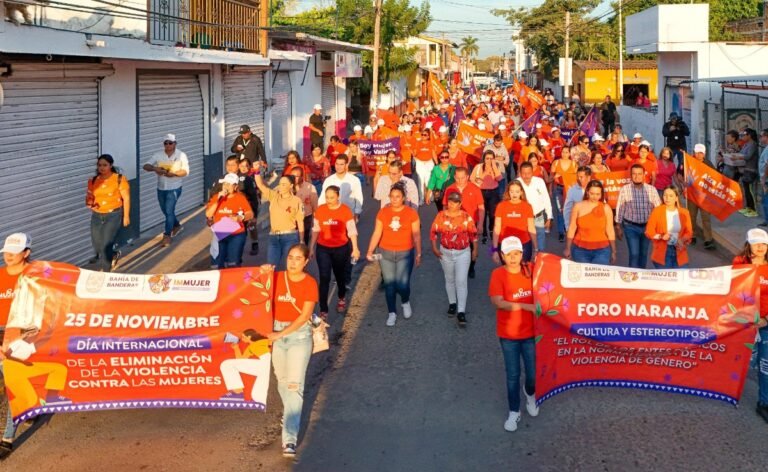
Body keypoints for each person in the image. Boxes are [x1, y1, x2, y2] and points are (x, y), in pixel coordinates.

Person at [264, 244, 318, 457]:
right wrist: (260, 274)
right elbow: (252, 291)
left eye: (298, 258)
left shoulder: (310, 283)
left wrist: (279, 334)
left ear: (306, 262)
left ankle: (289, 439)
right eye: (290, 257)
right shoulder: (275, 278)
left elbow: (304, 316)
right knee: (282, 381)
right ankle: (290, 414)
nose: (293, 262)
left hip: (299, 337)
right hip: (276, 332)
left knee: (294, 385)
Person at [488, 236, 539, 433]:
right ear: (502, 255)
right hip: (508, 334)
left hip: (531, 333)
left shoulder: (531, 270)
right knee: (513, 374)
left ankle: (531, 393)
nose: (513, 258)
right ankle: (513, 410)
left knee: (533, 373)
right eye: (508, 254)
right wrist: (526, 306)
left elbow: (551, 279)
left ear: (522, 253)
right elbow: (498, 302)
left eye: (516, 254)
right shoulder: (497, 275)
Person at [366, 182, 421, 327]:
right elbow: (377, 232)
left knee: (402, 284)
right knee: (390, 284)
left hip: (405, 252)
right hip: (385, 252)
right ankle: (392, 313)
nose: (394, 199)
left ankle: (405, 301)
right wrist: (370, 250)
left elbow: (416, 235)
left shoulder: (411, 213)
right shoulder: (383, 212)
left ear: (403, 198)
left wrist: (419, 253)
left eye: (398, 196)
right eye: (392, 196)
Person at [0, 233, 32, 459]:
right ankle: (30, 407)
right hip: (1, 337)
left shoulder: (37, 276)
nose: (9, 255)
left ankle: (7, 439)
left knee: (14, 386)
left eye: (15, 251)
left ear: (26, 253)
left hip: (26, 337)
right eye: (6, 252)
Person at [732, 228, 768, 423]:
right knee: (741, 360)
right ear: (748, 245)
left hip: (766, 323)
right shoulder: (739, 265)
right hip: (744, 324)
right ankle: (728, 388)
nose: (760, 247)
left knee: (766, 364)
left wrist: (766, 319)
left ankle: (764, 403)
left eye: (763, 243)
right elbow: (732, 291)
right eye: (756, 243)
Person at [310, 186, 360, 321]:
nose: (329, 200)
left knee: (339, 276)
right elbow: (316, 229)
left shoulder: (345, 210)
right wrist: (311, 247)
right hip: (323, 248)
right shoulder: (321, 210)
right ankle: (323, 309)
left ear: (338, 196)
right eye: (327, 197)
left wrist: (355, 248)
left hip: (340, 248)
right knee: (324, 278)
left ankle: (341, 297)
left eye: (332, 197)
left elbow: (352, 231)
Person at [429, 191, 478, 325]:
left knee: (461, 281)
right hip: (446, 252)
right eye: (450, 202)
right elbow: (433, 232)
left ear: (460, 204)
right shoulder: (441, 215)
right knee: (449, 279)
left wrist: (475, 250)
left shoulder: (465, 216)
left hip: (463, 253)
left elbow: (473, 234)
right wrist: (434, 247)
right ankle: (452, 303)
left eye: (455, 202)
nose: (452, 204)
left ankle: (461, 311)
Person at [253, 164, 304, 271]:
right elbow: (260, 185)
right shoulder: (273, 196)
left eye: (284, 184)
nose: (281, 186)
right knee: (271, 267)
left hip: (289, 237)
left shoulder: (297, 201)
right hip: (274, 237)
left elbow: (300, 221)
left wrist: (302, 240)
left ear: (291, 186)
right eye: (280, 184)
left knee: (288, 267)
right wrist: (257, 171)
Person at [142, 133, 189, 247]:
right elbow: (145, 166)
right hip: (161, 187)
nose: (168, 145)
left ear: (175, 143)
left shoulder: (181, 155)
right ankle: (177, 225)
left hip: (175, 187)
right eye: (166, 143)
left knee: (169, 211)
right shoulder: (158, 155)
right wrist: (154, 168)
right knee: (166, 211)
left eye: (170, 143)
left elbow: (185, 171)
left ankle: (167, 235)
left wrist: (174, 174)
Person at [86, 154, 130, 272]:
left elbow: (126, 198)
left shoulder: (119, 179)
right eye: (100, 165)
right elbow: (90, 196)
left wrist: (126, 216)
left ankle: (106, 271)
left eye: (105, 165)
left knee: (106, 244)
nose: (102, 168)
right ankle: (114, 255)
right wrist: (90, 203)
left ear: (111, 165)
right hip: (97, 215)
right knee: (97, 244)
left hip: (113, 215)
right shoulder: (93, 180)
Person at [614, 164, 662, 268]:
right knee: (634, 254)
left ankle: (641, 277)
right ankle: (633, 278)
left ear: (644, 175)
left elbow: (658, 209)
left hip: (647, 227)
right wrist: (618, 226)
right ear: (630, 175)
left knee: (643, 254)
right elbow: (620, 208)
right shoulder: (624, 189)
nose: (637, 176)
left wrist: (658, 226)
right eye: (634, 174)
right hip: (630, 227)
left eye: (639, 174)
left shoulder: (651, 190)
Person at [442, 167, 485, 279]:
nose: (460, 180)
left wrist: (480, 224)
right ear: (454, 177)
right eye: (458, 178)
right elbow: (445, 206)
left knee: (471, 247)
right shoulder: (449, 189)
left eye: (463, 178)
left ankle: (471, 267)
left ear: (467, 177)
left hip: (471, 224)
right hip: (454, 224)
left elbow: (481, 207)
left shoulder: (475, 189)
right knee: (455, 247)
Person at [205, 173, 253, 268]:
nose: (226, 186)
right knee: (216, 264)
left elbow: (250, 214)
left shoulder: (240, 198)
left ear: (235, 186)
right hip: (220, 233)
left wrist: (240, 218)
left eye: (229, 184)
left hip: (236, 234)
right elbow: (209, 214)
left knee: (233, 264)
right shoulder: (216, 197)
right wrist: (218, 199)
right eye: (225, 184)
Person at [564, 180, 616, 264]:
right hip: (580, 250)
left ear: (601, 194)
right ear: (587, 192)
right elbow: (572, 228)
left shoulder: (606, 208)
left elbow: (610, 230)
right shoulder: (578, 206)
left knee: (598, 276)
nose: (595, 197)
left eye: (597, 194)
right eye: (592, 193)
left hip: (602, 250)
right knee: (583, 277)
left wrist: (614, 251)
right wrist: (567, 248)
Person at [644, 186, 692, 269]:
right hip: (662, 254)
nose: (667, 198)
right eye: (665, 195)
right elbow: (649, 231)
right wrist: (661, 236)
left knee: (681, 279)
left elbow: (689, 232)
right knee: (666, 281)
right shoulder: (657, 211)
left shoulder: (684, 212)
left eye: (671, 196)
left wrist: (682, 240)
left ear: (676, 198)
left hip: (680, 252)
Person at [493, 181, 537, 263]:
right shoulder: (501, 206)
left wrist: (536, 249)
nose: (514, 194)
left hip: (523, 244)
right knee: (508, 272)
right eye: (512, 191)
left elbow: (531, 228)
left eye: (517, 191)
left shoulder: (527, 206)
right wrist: (494, 250)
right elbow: (496, 228)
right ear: (508, 192)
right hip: (505, 244)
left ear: (521, 192)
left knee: (523, 271)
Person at [684, 144, 717, 250]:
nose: (699, 154)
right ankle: (692, 235)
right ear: (694, 152)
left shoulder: (708, 164)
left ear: (704, 153)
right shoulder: (688, 161)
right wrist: (683, 186)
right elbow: (680, 174)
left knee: (706, 218)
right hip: (692, 194)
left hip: (705, 196)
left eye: (701, 152)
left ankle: (708, 239)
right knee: (691, 216)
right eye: (697, 152)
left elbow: (715, 178)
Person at [516, 162, 553, 252]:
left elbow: (546, 198)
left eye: (528, 173)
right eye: (524, 173)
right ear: (520, 173)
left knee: (540, 245)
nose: (526, 176)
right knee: (524, 244)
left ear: (532, 172)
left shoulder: (539, 182)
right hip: (523, 218)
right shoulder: (516, 183)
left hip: (538, 217)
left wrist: (549, 217)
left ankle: (539, 261)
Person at [472, 150, 504, 244]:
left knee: (492, 213)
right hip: (481, 192)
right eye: (487, 158)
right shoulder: (478, 167)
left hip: (493, 192)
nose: (489, 160)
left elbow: (499, 178)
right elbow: (471, 179)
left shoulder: (496, 167)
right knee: (482, 213)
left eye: (491, 158)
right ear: (484, 158)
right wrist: (479, 181)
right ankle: (484, 232)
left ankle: (491, 228)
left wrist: (493, 166)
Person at [319, 154, 364, 219]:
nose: (338, 167)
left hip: (349, 215)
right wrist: (321, 211)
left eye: (341, 164)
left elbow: (358, 197)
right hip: (332, 215)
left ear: (346, 165)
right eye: (337, 164)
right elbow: (322, 197)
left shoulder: (354, 180)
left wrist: (357, 213)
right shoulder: (329, 180)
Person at [550, 147, 577, 242]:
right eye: (563, 152)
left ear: (570, 153)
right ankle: (561, 232)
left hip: (569, 190)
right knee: (560, 210)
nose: (565, 154)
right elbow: (551, 177)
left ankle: (568, 229)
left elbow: (576, 177)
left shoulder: (573, 164)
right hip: (558, 189)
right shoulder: (556, 163)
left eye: (566, 152)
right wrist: (550, 189)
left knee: (570, 209)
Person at [238, 158, 262, 256]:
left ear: (249, 167)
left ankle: (255, 243)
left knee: (252, 225)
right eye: (242, 166)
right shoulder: (235, 176)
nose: (244, 168)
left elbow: (260, 187)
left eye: (246, 166)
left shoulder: (254, 176)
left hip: (252, 203)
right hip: (239, 206)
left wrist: (255, 214)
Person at [291, 167, 318, 246]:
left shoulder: (310, 188)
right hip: (291, 218)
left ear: (302, 177)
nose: (293, 178)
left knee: (303, 242)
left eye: (296, 176)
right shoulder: (288, 187)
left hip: (306, 217)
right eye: (292, 176)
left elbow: (315, 206)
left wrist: (315, 221)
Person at [738, 128, 760, 218]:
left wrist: (737, 157)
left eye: (744, 135)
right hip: (745, 169)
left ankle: (754, 209)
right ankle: (748, 207)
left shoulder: (753, 145)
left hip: (751, 170)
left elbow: (747, 156)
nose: (742, 137)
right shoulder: (746, 144)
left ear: (749, 136)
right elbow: (742, 153)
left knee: (750, 190)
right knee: (746, 190)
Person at [563, 166, 592, 232]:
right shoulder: (572, 190)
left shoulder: (596, 188)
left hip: (594, 228)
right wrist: (568, 227)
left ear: (588, 177)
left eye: (581, 177)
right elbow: (567, 210)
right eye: (578, 176)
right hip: (578, 228)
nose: (579, 179)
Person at [413, 128, 437, 205]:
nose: (423, 136)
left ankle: (429, 197)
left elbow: (433, 154)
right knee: (420, 181)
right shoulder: (418, 143)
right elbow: (414, 153)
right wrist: (416, 158)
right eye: (422, 134)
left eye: (425, 135)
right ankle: (421, 199)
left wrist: (437, 163)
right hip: (420, 163)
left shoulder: (431, 143)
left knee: (428, 181)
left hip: (429, 163)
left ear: (428, 136)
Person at [759, 129, 768, 228]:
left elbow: (767, 165)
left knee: (766, 201)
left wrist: (763, 179)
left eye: (762, 136)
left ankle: (767, 220)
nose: (760, 138)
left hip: (766, 179)